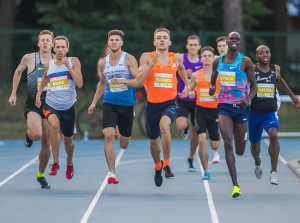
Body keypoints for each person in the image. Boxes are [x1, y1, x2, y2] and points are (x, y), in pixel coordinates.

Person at [111, 28, 190, 187]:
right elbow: (139, 81)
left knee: (164, 126)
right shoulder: (147, 57)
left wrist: (187, 86)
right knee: (154, 144)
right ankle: (158, 166)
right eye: (159, 38)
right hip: (153, 105)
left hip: (170, 103)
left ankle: (167, 164)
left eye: (165, 38)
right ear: (154, 42)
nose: (162, 40)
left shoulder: (177, 57)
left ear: (170, 42)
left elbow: (181, 69)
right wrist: (124, 80)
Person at [209, 31, 257, 198]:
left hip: (242, 108)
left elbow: (254, 85)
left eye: (237, 39)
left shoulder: (245, 61)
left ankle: (240, 147)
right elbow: (213, 78)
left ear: (239, 42)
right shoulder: (218, 61)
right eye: (232, 39)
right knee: (227, 142)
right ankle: (235, 186)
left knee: (240, 150)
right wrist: (211, 87)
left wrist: (248, 99)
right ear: (227, 41)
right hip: (224, 106)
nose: (234, 41)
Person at [88, 30, 138, 184]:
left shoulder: (129, 59)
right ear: (108, 43)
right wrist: (94, 102)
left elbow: (139, 82)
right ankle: (112, 173)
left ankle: (120, 131)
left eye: (117, 40)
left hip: (127, 105)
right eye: (112, 40)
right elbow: (102, 84)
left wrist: (122, 81)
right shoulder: (103, 63)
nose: (114, 42)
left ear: (121, 43)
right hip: (109, 103)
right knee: (108, 136)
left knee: (124, 143)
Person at [8, 30, 55, 189]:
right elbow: (17, 72)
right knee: (36, 134)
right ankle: (29, 135)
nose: (45, 43)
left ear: (53, 44)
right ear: (38, 43)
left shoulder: (58, 60)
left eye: (48, 40)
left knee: (47, 143)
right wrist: (13, 93)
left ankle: (41, 175)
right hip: (33, 105)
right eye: (42, 40)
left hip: (50, 105)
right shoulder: (29, 58)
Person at [249, 45, 299, 185]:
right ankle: (257, 161)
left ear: (270, 54)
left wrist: (292, 97)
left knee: (273, 134)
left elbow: (281, 82)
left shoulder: (275, 69)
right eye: (261, 53)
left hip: (269, 112)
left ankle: (273, 172)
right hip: (254, 113)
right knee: (254, 147)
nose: (265, 55)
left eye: (267, 52)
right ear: (256, 56)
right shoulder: (252, 69)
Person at [36, 35, 83, 180]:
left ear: (67, 49)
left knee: (68, 142)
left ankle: (69, 162)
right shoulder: (48, 64)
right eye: (58, 47)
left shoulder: (73, 61)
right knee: (54, 126)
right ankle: (55, 162)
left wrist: (69, 67)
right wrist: (38, 95)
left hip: (68, 107)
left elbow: (80, 83)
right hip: (51, 104)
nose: (60, 50)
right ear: (53, 48)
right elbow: (45, 78)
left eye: (63, 47)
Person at [174, 35, 205, 172]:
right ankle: (185, 127)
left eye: (195, 45)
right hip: (182, 98)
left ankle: (191, 158)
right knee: (181, 124)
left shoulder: (203, 61)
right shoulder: (181, 58)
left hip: (198, 101)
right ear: (187, 46)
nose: (193, 47)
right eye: (190, 45)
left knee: (196, 133)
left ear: (199, 47)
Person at [189, 46, 221, 180]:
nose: (207, 58)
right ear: (201, 58)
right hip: (201, 111)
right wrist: (191, 93)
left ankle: (215, 140)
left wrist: (218, 96)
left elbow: (226, 93)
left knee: (214, 144)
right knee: (201, 140)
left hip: (215, 112)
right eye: (205, 56)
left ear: (213, 59)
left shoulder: (219, 74)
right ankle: (206, 170)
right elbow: (191, 91)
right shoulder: (196, 75)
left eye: (209, 56)